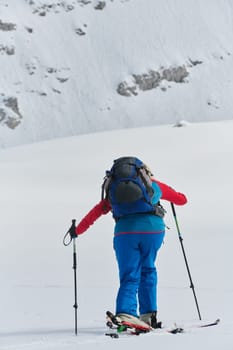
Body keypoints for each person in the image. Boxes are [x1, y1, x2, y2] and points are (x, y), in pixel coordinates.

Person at [74, 158, 187, 329]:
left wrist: (77, 231)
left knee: (130, 274)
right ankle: (149, 315)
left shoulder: (113, 191)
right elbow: (181, 200)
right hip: (153, 231)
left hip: (125, 233)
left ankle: (126, 312)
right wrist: (178, 196)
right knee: (148, 268)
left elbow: (97, 212)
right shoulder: (152, 185)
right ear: (142, 172)